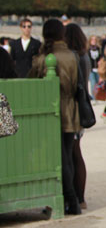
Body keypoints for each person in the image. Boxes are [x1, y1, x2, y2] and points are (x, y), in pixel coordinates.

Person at [30, 18, 81, 215]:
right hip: (70, 108)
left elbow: (32, 82)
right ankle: (73, 200)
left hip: (53, 109)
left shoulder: (45, 57)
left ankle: (70, 200)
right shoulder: (72, 55)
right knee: (68, 155)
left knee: (59, 158)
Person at [64, 23, 91, 208]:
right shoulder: (85, 56)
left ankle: (77, 198)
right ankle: (79, 198)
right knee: (76, 152)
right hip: (81, 108)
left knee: (73, 153)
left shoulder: (74, 57)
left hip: (72, 109)